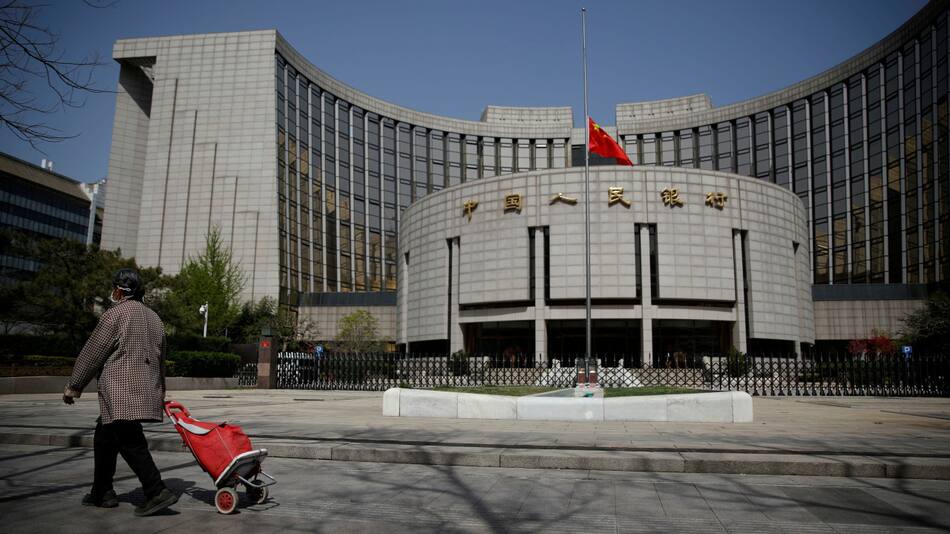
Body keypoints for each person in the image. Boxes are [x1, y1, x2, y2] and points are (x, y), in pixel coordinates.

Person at [63, 268, 178, 517]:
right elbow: (161, 360)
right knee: (104, 437)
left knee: (130, 440)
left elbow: (93, 352)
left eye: (114, 287)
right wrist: (160, 392)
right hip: (145, 388)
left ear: (120, 290)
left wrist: (75, 386)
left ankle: (156, 490)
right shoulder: (154, 318)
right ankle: (101, 491)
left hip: (120, 389)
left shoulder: (115, 315)